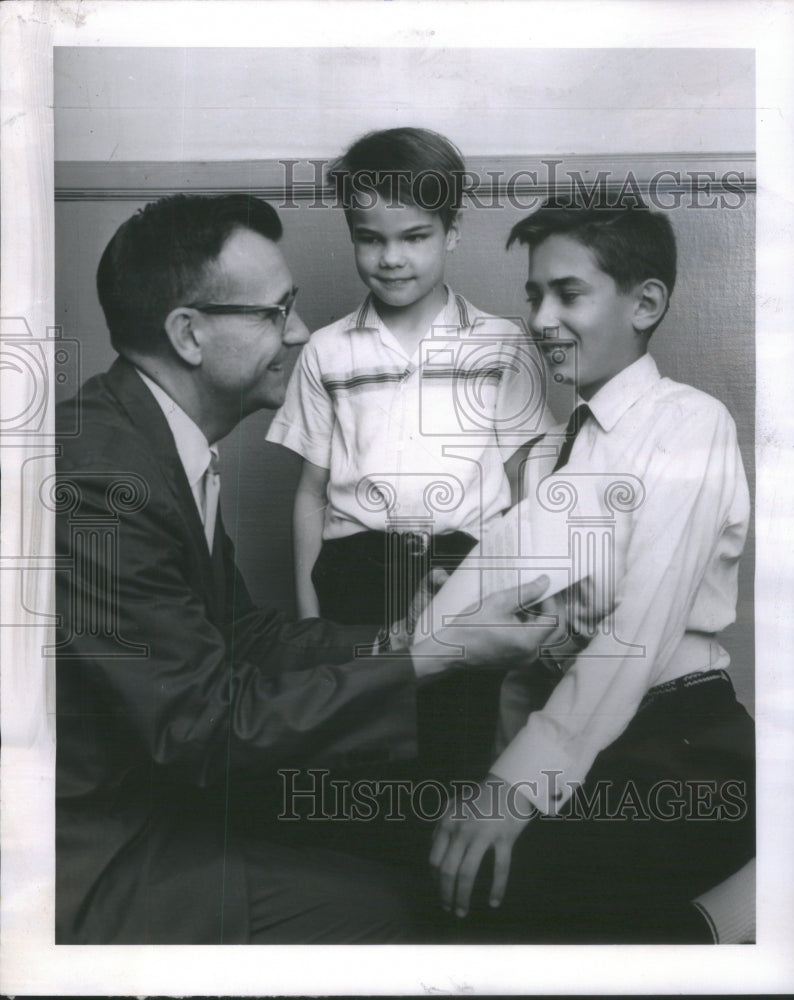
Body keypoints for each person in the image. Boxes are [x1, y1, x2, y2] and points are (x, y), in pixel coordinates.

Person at [54, 192, 560, 945]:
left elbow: (244, 637)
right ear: (188, 334)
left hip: (161, 794)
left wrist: (407, 633)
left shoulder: (149, 438)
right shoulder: (103, 482)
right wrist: (435, 654)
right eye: (274, 312)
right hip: (94, 852)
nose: (296, 331)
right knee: (393, 907)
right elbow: (203, 724)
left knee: (398, 840)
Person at [429, 200, 756, 943]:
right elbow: (528, 650)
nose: (541, 318)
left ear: (645, 303)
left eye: (566, 293)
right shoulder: (547, 454)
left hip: (681, 736)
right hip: (584, 727)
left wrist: (516, 787)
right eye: (532, 295)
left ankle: (729, 918)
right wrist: (496, 770)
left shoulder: (688, 422)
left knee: (545, 894)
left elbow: (639, 629)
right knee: (471, 875)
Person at [267, 127, 543, 632]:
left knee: (460, 710)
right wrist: (310, 621)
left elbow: (528, 480)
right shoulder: (326, 351)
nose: (391, 258)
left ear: (452, 230)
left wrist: (519, 589)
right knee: (360, 706)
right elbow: (311, 494)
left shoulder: (502, 344)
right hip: (354, 573)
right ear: (352, 235)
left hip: (470, 568)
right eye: (371, 239)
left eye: (414, 237)